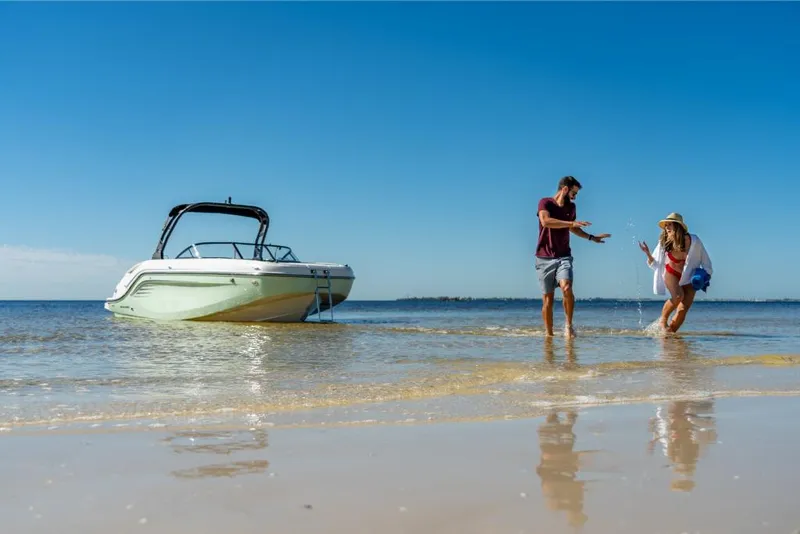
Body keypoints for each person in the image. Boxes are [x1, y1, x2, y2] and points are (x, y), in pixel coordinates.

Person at [536, 175, 611, 337]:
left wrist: (592, 237)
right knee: (548, 300)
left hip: (564, 255)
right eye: (573, 193)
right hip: (544, 257)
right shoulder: (545, 202)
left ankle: (568, 326)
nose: (575, 197)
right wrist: (571, 223)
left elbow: (573, 228)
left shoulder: (571, 208)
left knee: (567, 287)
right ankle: (549, 336)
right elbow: (546, 222)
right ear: (565, 189)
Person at [638, 212, 713, 333]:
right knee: (678, 296)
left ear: (678, 226)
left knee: (684, 308)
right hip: (671, 273)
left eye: (670, 225)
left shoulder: (694, 241)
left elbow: (705, 258)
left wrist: (706, 274)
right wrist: (647, 254)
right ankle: (663, 320)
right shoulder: (664, 242)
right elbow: (655, 262)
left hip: (688, 276)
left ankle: (670, 334)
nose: (666, 227)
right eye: (666, 225)